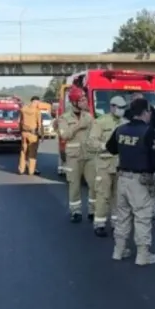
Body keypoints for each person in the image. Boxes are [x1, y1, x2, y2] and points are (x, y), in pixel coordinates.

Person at [104, 98, 155, 266]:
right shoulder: (149, 132)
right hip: (141, 180)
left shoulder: (120, 129)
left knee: (122, 217)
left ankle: (119, 250)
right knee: (142, 217)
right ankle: (143, 255)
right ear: (145, 112)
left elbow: (111, 148)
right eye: (149, 112)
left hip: (122, 178)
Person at [86, 95, 128, 237]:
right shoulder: (100, 122)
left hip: (120, 164)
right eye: (119, 107)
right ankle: (100, 224)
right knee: (102, 195)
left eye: (123, 107)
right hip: (104, 164)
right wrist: (106, 146)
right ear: (111, 107)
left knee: (118, 196)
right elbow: (91, 142)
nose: (121, 110)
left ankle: (116, 223)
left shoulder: (126, 123)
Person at [58, 86, 96, 223]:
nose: (85, 102)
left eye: (85, 99)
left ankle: (93, 210)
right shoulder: (64, 118)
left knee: (94, 184)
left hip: (90, 155)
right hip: (73, 156)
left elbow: (95, 134)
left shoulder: (89, 116)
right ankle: (76, 211)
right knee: (74, 185)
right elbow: (64, 135)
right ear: (74, 102)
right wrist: (79, 125)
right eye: (82, 100)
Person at [18, 96, 44, 176]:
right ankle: (31, 171)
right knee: (32, 152)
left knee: (23, 151)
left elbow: (20, 122)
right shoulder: (37, 111)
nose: (38, 104)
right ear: (36, 102)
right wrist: (42, 135)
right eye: (38, 102)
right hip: (33, 134)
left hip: (24, 133)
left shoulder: (23, 109)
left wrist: (21, 131)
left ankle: (21, 169)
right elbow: (39, 125)